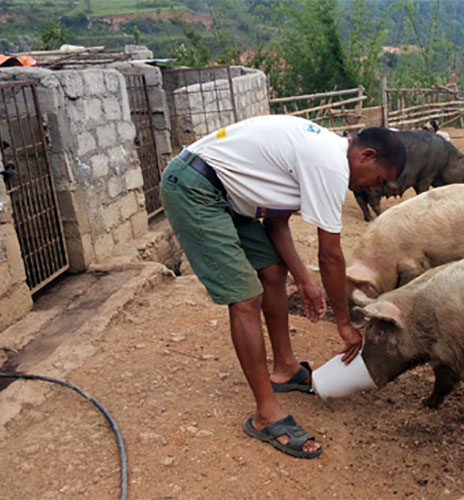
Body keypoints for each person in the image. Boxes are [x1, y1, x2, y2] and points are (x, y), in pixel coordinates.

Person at [159, 115, 406, 459]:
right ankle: (265, 414)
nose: (374, 189)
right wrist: (344, 324)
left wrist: (303, 280)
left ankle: (286, 368)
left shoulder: (322, 153)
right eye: (379, 180)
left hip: (228, 195)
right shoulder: (331, 164)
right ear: (366, 155)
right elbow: (331, 256)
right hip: (195, 189)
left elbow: (276, 223)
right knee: (246, 297)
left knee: (273, 271)